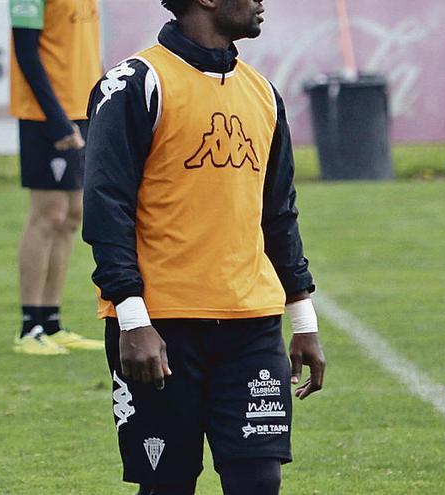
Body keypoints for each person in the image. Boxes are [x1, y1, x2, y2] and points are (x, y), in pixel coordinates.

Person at [82, 1, 326, 493]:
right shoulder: (135, 83)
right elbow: (106, 207)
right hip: (160, 327)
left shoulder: (263, 92)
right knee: (167, 484)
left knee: (259, 480)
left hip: (252, 327)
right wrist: (133, 319)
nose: (261, 3)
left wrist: (303, 320)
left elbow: (277, 213)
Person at [9, 0, 105, 355]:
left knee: (71, 217)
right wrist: (56, 119)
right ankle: (29, 326)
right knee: (47, 214)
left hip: (81, 108)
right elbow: (26, 52)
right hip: (44, 115)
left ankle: (51, 321)